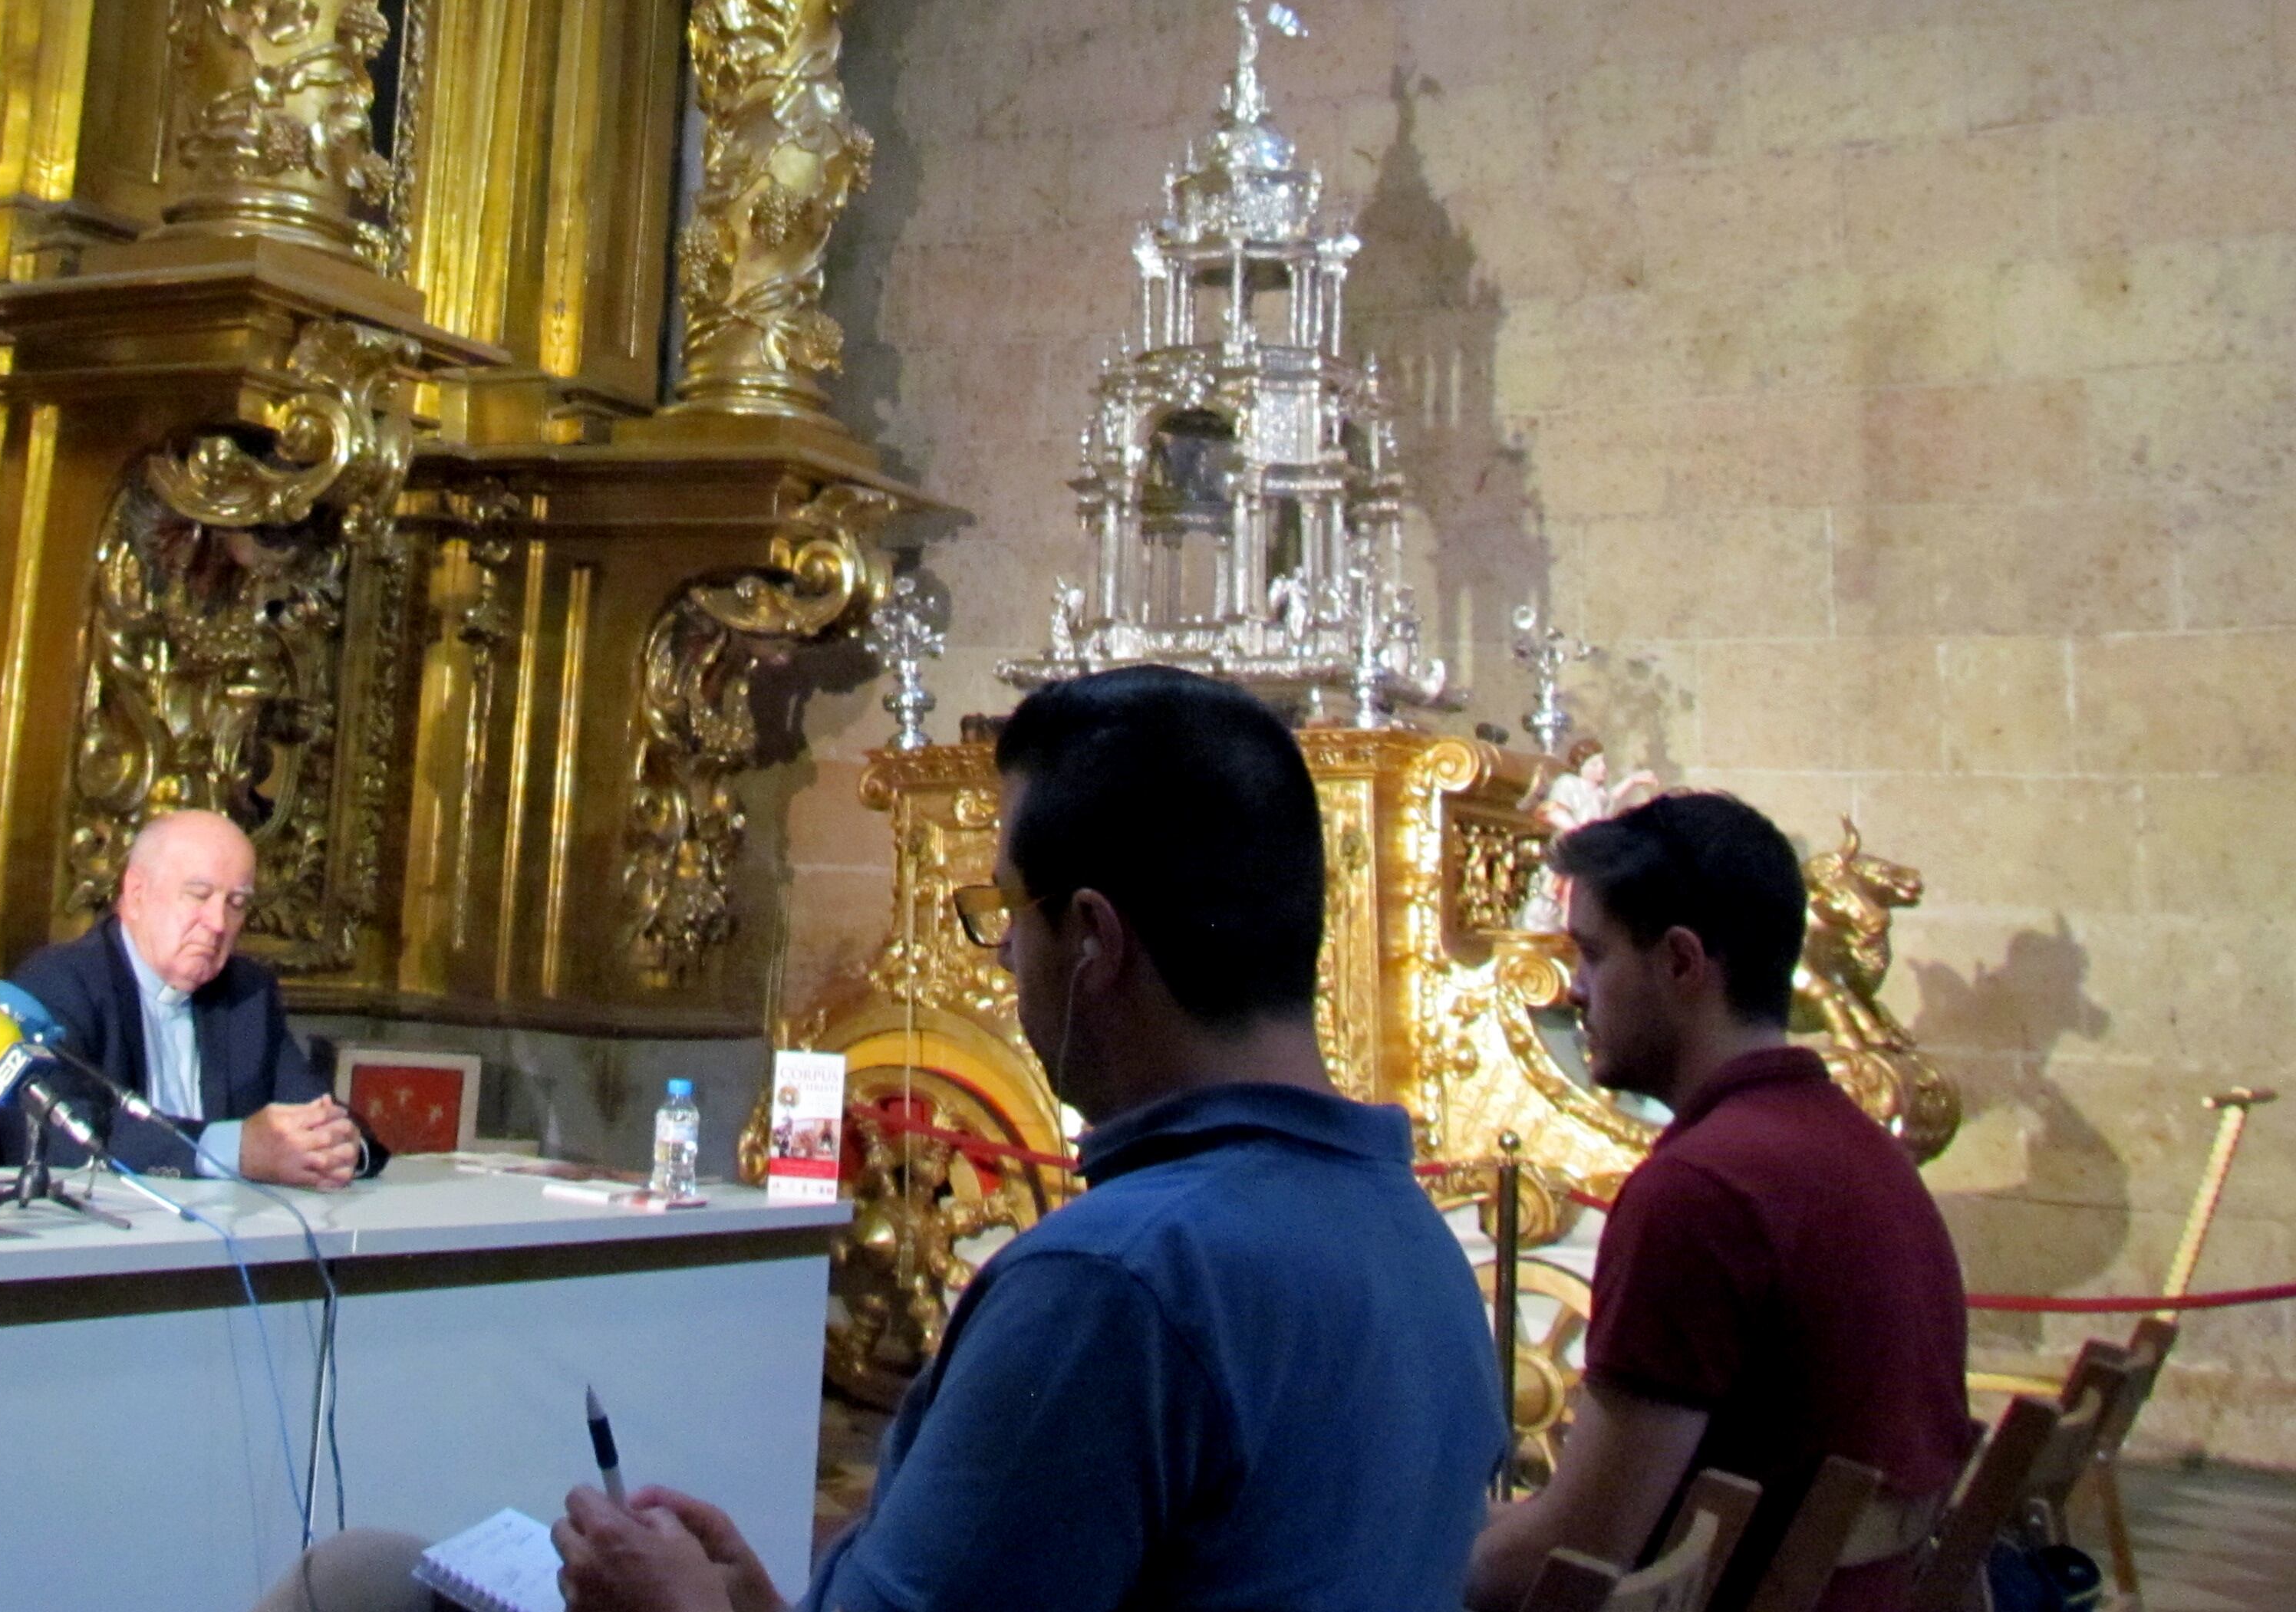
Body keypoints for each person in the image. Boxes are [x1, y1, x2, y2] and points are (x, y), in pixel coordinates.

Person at [250, 666, 1505, 1612]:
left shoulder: (1118, 1281)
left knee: (352, 1580)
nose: (1003, 952)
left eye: (1003, 911)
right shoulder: (1413, 1236)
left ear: (1097, 942)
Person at [1465, 793, 1968, 1612]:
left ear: (1681, 963)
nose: (1576, 991)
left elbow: (1571, 1561)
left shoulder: (1703, 1191)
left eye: (1592, 955)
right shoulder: (1861, 1149)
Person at [0, 807, 377, 1190]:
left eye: (236, 904)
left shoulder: (247, 993)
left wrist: (339, 1146)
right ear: (137, 893)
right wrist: (231, 1150)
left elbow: (312, 1110)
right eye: (199, 895)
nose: (218, 923)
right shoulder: (56, 982)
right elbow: (53, 1136)